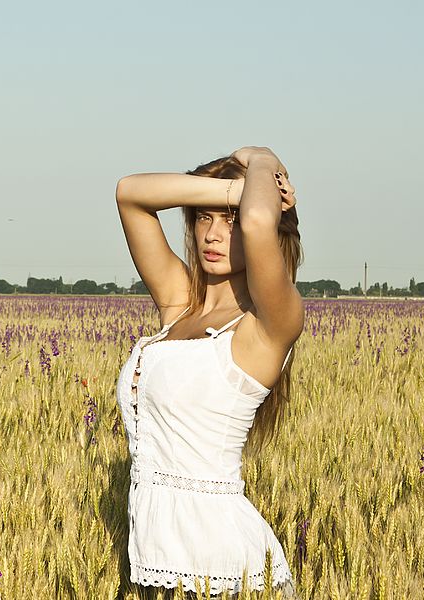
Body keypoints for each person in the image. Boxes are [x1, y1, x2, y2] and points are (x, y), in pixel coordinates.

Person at [115, 146, 304, 599]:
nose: (213, 235)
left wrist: (262, 158)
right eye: (203, 218)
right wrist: (231, 190)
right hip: (156, 565)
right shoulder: (180, 305)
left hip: (227, 570)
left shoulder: (266, 326)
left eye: (231, 219)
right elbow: (129, 195)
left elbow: (259, 222)